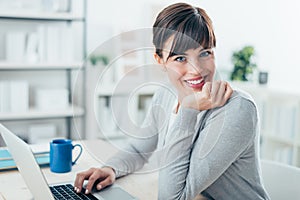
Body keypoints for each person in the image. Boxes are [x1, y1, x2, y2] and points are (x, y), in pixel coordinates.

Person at [74, 3, 270, 200]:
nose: (196, 70)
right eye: (180, 58)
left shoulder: (236, 109)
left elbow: (173, 198)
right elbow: (139, 149)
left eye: (205, 53)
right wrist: (111, 168)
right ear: (160, 60)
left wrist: (188, 109)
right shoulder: (166, 95)